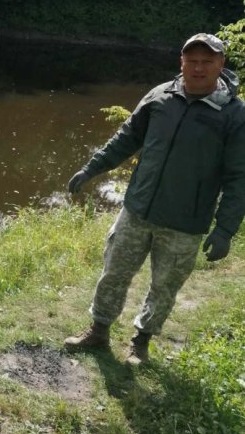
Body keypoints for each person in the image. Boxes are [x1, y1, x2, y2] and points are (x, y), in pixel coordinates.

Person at [65, 33, 245, 365]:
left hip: (185, 223)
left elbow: (239, 177)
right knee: (113, 272)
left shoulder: (234, 115)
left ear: (221, 64)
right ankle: (99, 331)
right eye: (192, 60)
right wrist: (91, 169)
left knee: (165, 287)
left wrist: (225, 231)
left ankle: (141, 342)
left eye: (207, 61)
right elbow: (126, 138)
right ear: (182, 62)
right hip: (137, 209)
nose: (199, 68)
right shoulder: (160, 97)